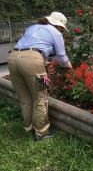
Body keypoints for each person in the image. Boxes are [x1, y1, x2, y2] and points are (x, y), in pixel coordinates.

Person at [7, 12, 73, 141]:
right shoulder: (56, 33)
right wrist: (69, 66)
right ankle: (41, 132)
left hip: (13, 58)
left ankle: (28, 128)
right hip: (32, 60)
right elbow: (61, 56)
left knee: (25, 98)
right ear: (58, 25)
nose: (62, 31)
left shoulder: (33, 27)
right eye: (62, 28)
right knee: (39, 97)